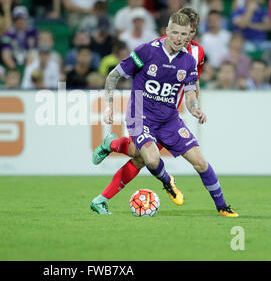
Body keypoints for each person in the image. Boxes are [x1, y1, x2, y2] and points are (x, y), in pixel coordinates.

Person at [90, 12, 238, 217]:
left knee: (199, 162)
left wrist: (194, 108)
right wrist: (108, 105)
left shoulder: (188, 60)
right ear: (167, 31)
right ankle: (167, 181)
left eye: (184, 34)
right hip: (140, 114)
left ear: (189, 36)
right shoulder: (147, 51)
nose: (179, 38)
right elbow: (113, 76)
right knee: (150, 159)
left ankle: (222, 207)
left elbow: (189, 92)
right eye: (175, 32)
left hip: (169, 118)